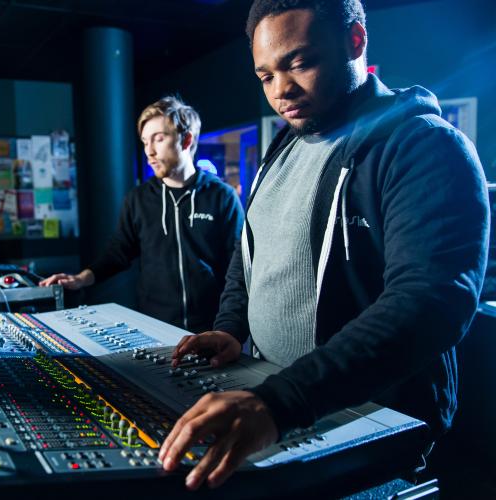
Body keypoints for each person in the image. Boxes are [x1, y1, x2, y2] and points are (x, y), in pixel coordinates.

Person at [159, 0, 490, 490]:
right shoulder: (284, 146)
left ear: (355, 41)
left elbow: (429, 302)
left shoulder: (422, 146)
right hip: (281, 400)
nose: (281, 91)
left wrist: (281, 401)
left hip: (370, 426)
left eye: (299, 63)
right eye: (265, 76)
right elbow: (250, 254)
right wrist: (230, 328)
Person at [40, 97, 244, 333]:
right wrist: (81, 278)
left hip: (211, 329)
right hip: (155, 327)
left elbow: (238, 267)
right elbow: (118, 252)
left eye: (159, 138)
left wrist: (230, 329)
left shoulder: (222, 196)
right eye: (145, 141)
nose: (149, 151)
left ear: (186, 140)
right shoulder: (138, 199)